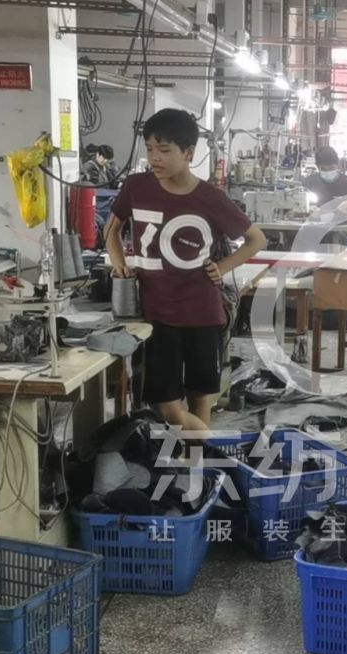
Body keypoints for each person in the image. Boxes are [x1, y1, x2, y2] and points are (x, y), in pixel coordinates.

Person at [103, 109, 268, 435]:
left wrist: (223, 267)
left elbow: (256, 240)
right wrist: (117, 260)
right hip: (155, 315)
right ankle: (208, 444)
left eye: (164, 150)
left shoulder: (210, 198)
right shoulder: (136, 187)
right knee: (165, 404)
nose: (155, 157)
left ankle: (195, 460)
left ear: (189, 153)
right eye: (150, 149)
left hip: (202, 312)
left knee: (199, 395)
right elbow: (112, 229)